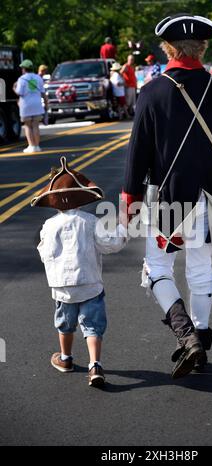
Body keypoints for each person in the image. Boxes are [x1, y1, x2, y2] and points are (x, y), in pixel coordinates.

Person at [122, 13, 212, 379]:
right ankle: (199, 334)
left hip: (168, 197)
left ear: (167, 47)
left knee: (157, 269)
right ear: (202, 47)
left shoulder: (151, 92)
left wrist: (129, 199)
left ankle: (188, 337)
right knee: (201, 269)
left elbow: (137, 153)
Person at [31, 156, 128, 387]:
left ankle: (65, 359)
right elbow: (110, 244)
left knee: (65, 324)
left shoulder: (49, 226)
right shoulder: (90, 221)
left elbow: (44, 253)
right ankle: (95, 365)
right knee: (93, 325)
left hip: (62, 286)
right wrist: (123, 231)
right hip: (90, 283)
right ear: (82, 197)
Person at [14, 59, 47, 153]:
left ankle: (31, 146)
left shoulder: (21, 79)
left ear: (24, 69)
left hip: (26, 105)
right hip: (37, 104)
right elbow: (42, 92)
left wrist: (14, 88)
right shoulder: (38, 78)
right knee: (36, 125)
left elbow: (20, 92)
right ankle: (37, 146)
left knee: (28, 126)